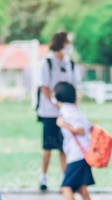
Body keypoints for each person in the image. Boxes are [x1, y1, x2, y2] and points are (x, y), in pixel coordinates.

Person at [55, 82, 100, 200]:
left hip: (77, 156)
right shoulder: (74, 109)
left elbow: (81, 130)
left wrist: (64, 125)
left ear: (58, 96)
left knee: (66, 188)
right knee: (81, 189)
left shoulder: (67, 112)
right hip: (82, 154)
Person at [37, 31, 81, 191]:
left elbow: (75, 86)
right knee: (48, 147)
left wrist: (73, 107)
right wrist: (56, 103)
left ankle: (65, 178)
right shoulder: (47, 62)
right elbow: (44, 87)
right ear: (61, 43)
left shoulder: (71, 63)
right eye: (68, 42)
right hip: (50, 112)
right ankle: (43, 177)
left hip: (66, 113)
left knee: (64, 146)